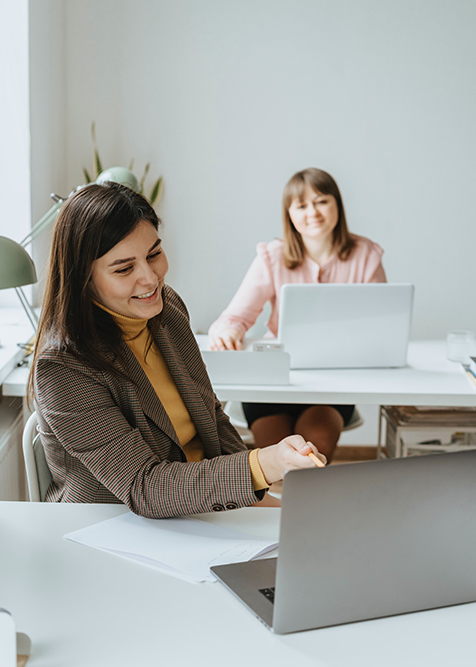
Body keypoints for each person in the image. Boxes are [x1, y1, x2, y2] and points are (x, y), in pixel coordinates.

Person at [29, 181, 325, 519]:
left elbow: (211, 417)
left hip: (196, 507)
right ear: (83, 277)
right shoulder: (64, 366)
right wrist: (265, 463)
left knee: (312, 529)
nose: (150, 278)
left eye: (154, 253)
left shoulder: (166, 310)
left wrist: (258, 490)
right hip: (114, 522)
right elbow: (143, 487)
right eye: (124, 268)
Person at [208, 168, 386, 462]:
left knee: (313, 453)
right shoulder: (272, 256)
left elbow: (379, 324)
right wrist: (229, 331)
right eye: (301, 205)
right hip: (275, 380)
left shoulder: (365, 255)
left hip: (332, 383)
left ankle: (305, 506)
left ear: (337, 205)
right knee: (279, 458)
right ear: (289, 214)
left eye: (321, 202)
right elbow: (233, 318)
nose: (312, 212)